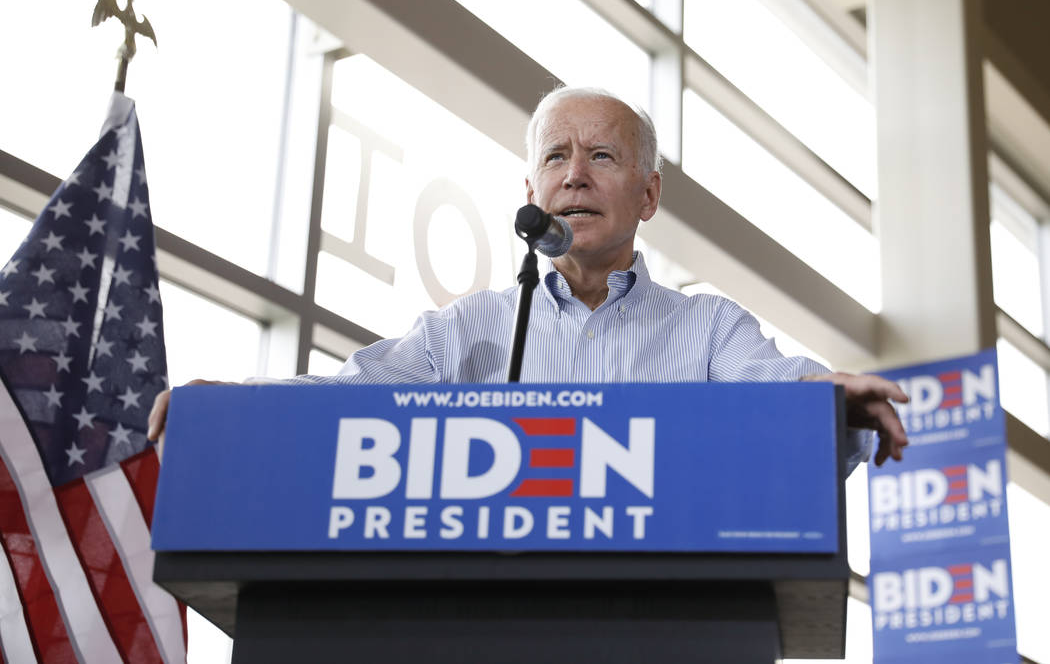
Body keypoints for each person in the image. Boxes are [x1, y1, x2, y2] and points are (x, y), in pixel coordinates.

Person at [149, 87, 908, 470]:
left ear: (647, 196)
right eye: (556, 158)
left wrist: (828, 399)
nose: (575, 175)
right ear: (530, 193)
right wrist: (239, 408)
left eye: (602, 158)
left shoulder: (707, 330)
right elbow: (349, 397)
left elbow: (770, 388)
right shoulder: (471, 330)